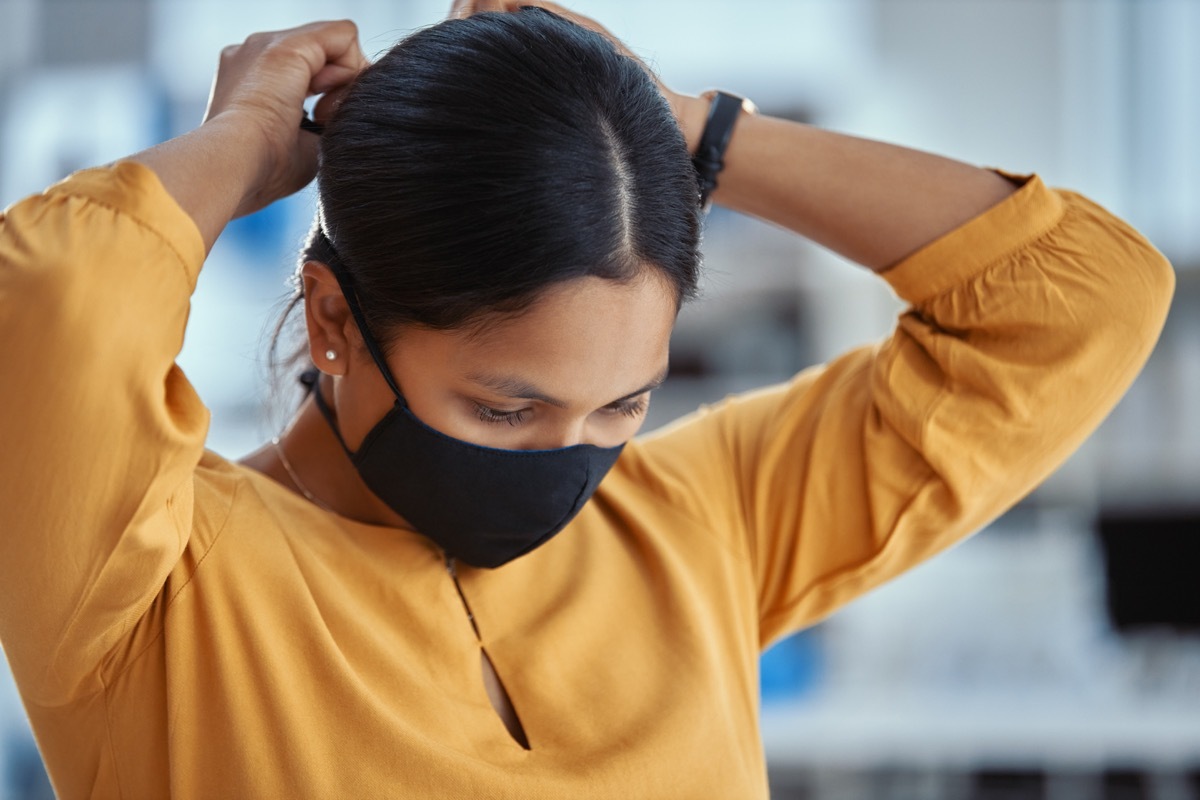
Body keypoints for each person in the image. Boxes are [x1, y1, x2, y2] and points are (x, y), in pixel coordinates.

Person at [0, 1, 1174, 797]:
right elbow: (57, 290)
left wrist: (680, 135)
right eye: (508, 410)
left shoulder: (698, 522)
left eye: (623, 406)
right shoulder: (149, 587)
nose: (569, 461)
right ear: (332, 320)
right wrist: (247, 135)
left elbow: (1083, 300)